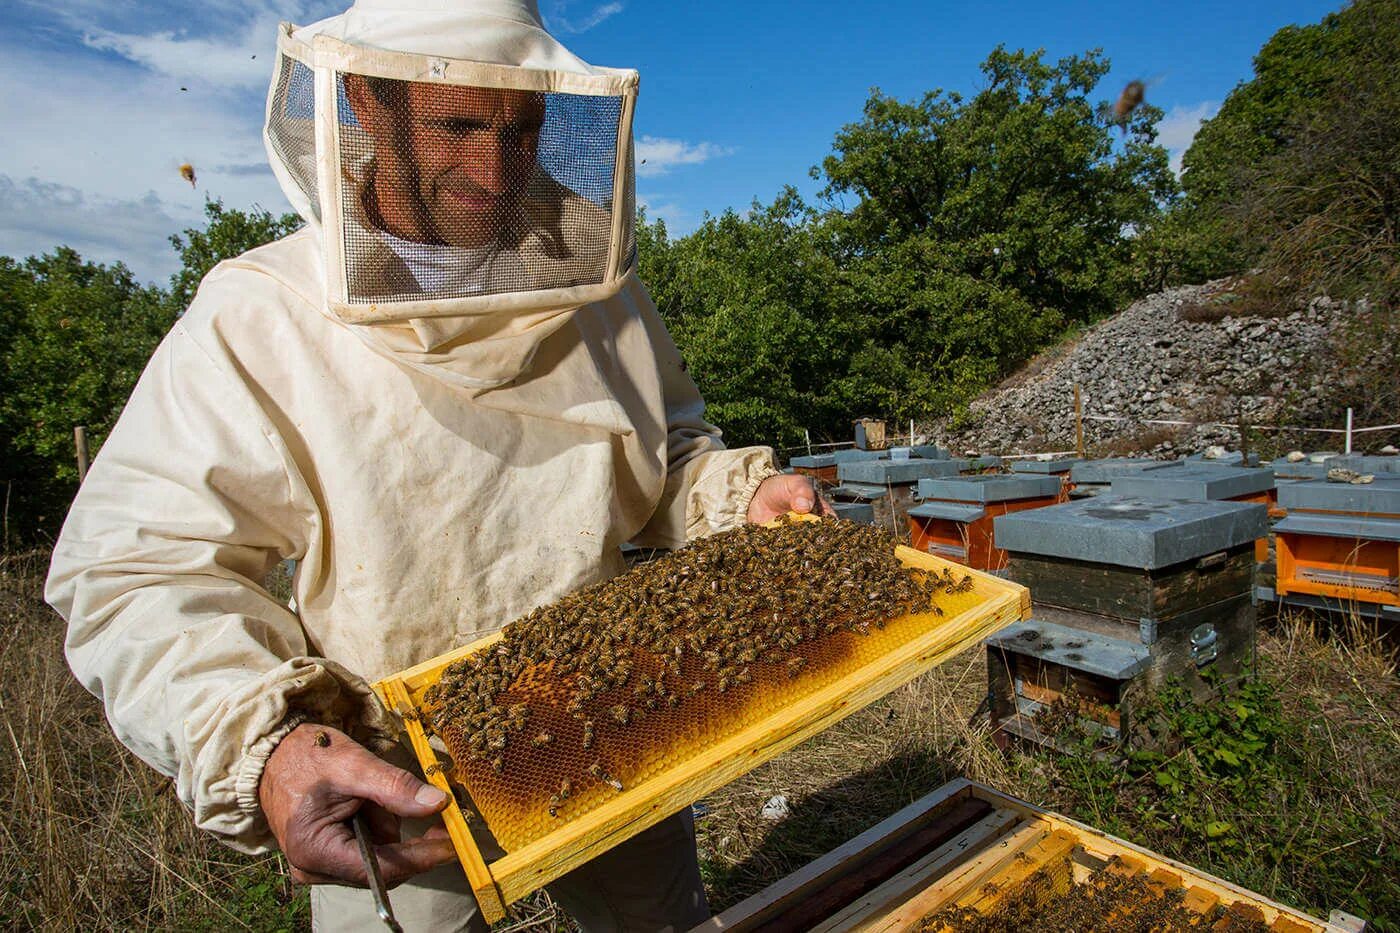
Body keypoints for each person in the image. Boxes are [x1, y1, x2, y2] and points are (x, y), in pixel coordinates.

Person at [45, 1, 827, 930]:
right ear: (369, 105)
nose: (495, 168)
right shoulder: (258, 316)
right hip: (388, 773)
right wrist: (272, 746)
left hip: (622, 711)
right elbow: (139, 567)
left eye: (521, 128)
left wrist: (740, 498)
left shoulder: (597, 287)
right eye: (458, 123)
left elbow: (665, 460)